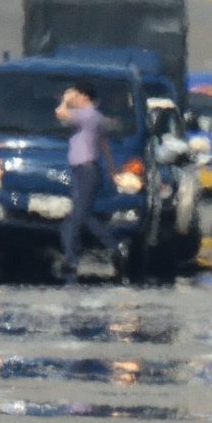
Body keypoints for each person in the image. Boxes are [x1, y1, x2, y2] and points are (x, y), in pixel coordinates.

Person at [55, 81, 127, 284]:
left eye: (77, 95)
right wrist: (112, 171)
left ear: (85, 97)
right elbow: (104, 145)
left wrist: (65, 100)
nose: (75, 99)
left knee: (81, 216)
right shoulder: (95, 117)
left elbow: (60, 113)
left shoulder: (87, 115)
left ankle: (113, 248)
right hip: (84, 171)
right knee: (74, 219)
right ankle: (72, 258)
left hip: (86, 171)